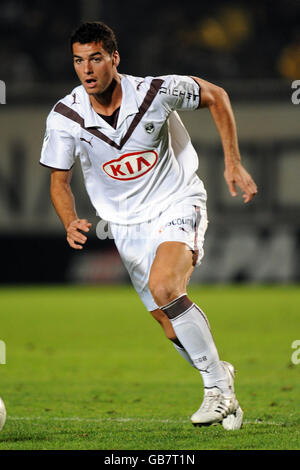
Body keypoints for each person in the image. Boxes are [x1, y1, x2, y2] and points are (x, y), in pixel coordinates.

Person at [40, 21, 257, 429]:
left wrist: (232, 161)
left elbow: (217, 96)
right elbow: (59, 180)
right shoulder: (66, 115)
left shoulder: (156, 92)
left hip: (177, 201)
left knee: (166, 286)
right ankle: (220, 374)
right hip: (125, 227)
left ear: (114, 58)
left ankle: (217, 389)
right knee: (169, 325)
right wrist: (69, 220)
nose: (87, 70)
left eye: (96, 59)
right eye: (78, 60)